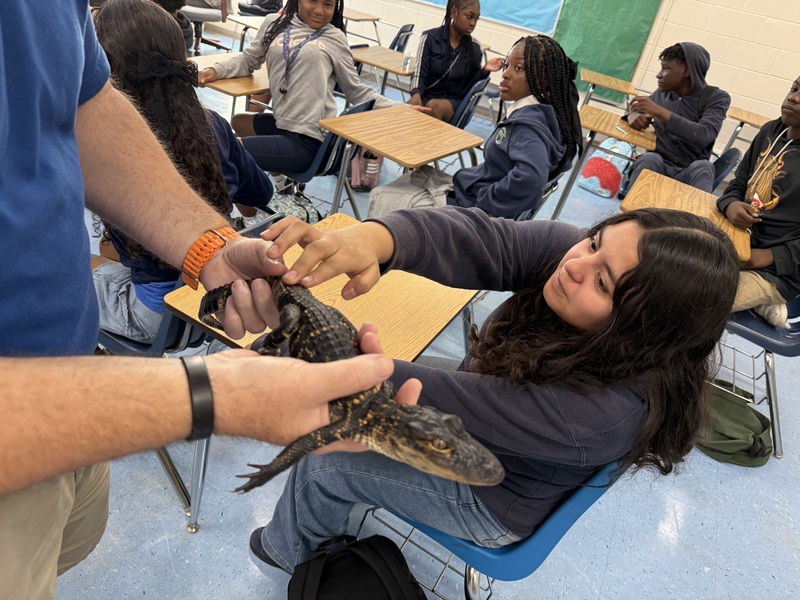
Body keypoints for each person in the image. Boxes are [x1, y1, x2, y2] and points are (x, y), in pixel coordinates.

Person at [0, 2, 419, 598]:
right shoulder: (213, 124)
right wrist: (207, 397)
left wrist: (209, 248)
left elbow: (82, 100)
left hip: (74, 372)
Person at [247, 206, 740, 572]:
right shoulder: (581, 265)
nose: (575, 265)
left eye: (604, 285)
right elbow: (486, 238)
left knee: (325, 461)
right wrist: (376, 239)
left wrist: (301, 357)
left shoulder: (596, 414)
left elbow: (455, 404)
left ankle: (284, 549)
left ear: (638, 330)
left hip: (493, 498)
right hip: (490, 412)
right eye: (594, 242)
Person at [91, 0, 276, 344]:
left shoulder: (102, 148)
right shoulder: (215, 125)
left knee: (64, 271)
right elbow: (261, 196)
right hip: (211, 309)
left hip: (156, 318)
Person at [197, 0, 426, 177]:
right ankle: (274, 180)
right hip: (282, 124)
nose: (319, 10)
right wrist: (216, 70)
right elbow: (248, 60)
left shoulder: (334, 37)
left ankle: (252, 205)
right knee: (238, 122)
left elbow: (358, 92)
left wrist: (400, 109)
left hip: (309, 140)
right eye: (312, 1)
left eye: (328, 4)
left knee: (226, 152)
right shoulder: (274, 23)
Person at [445, 35, 582, 217]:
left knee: (399, 196)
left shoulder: (525, 127)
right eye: (506, 65)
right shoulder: (545, 113)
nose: (505, 74)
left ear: (541, 79)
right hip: (470, 190)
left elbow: (531, 178)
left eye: (518, 68)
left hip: (469, 206)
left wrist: (484, 205)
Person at [716, 75, 800, 328]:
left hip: (775, 272)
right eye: (795, 88)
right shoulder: (770, 131)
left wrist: (770, 256)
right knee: (664, 265)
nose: (794, 98)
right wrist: (730, 205)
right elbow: (738, 183)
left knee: (694, 295)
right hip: (734, 240)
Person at [619, 42, 731, 198]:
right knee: (649, 159)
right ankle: (630, 217)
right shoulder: (663, 93)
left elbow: (705, 134)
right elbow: (637, 112)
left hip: (688, 171)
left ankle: (694, 221)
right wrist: (635, 117)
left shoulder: (716, 97)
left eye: (666, 68)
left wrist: (659, 111)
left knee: (704, 167)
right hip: (660, 164)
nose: (659, 74)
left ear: (686, 71)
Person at [409, 0, 504, 122]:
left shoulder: (474, 48)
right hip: (427, 96)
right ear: (454, 12)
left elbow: (471, 88)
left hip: (455, 102)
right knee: (401, 112)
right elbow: (419, 73)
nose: (473, 23)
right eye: (469, 17)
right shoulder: (430, 38)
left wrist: (484, 70)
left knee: (434, 107)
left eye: (476, 19)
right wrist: (416, 95)